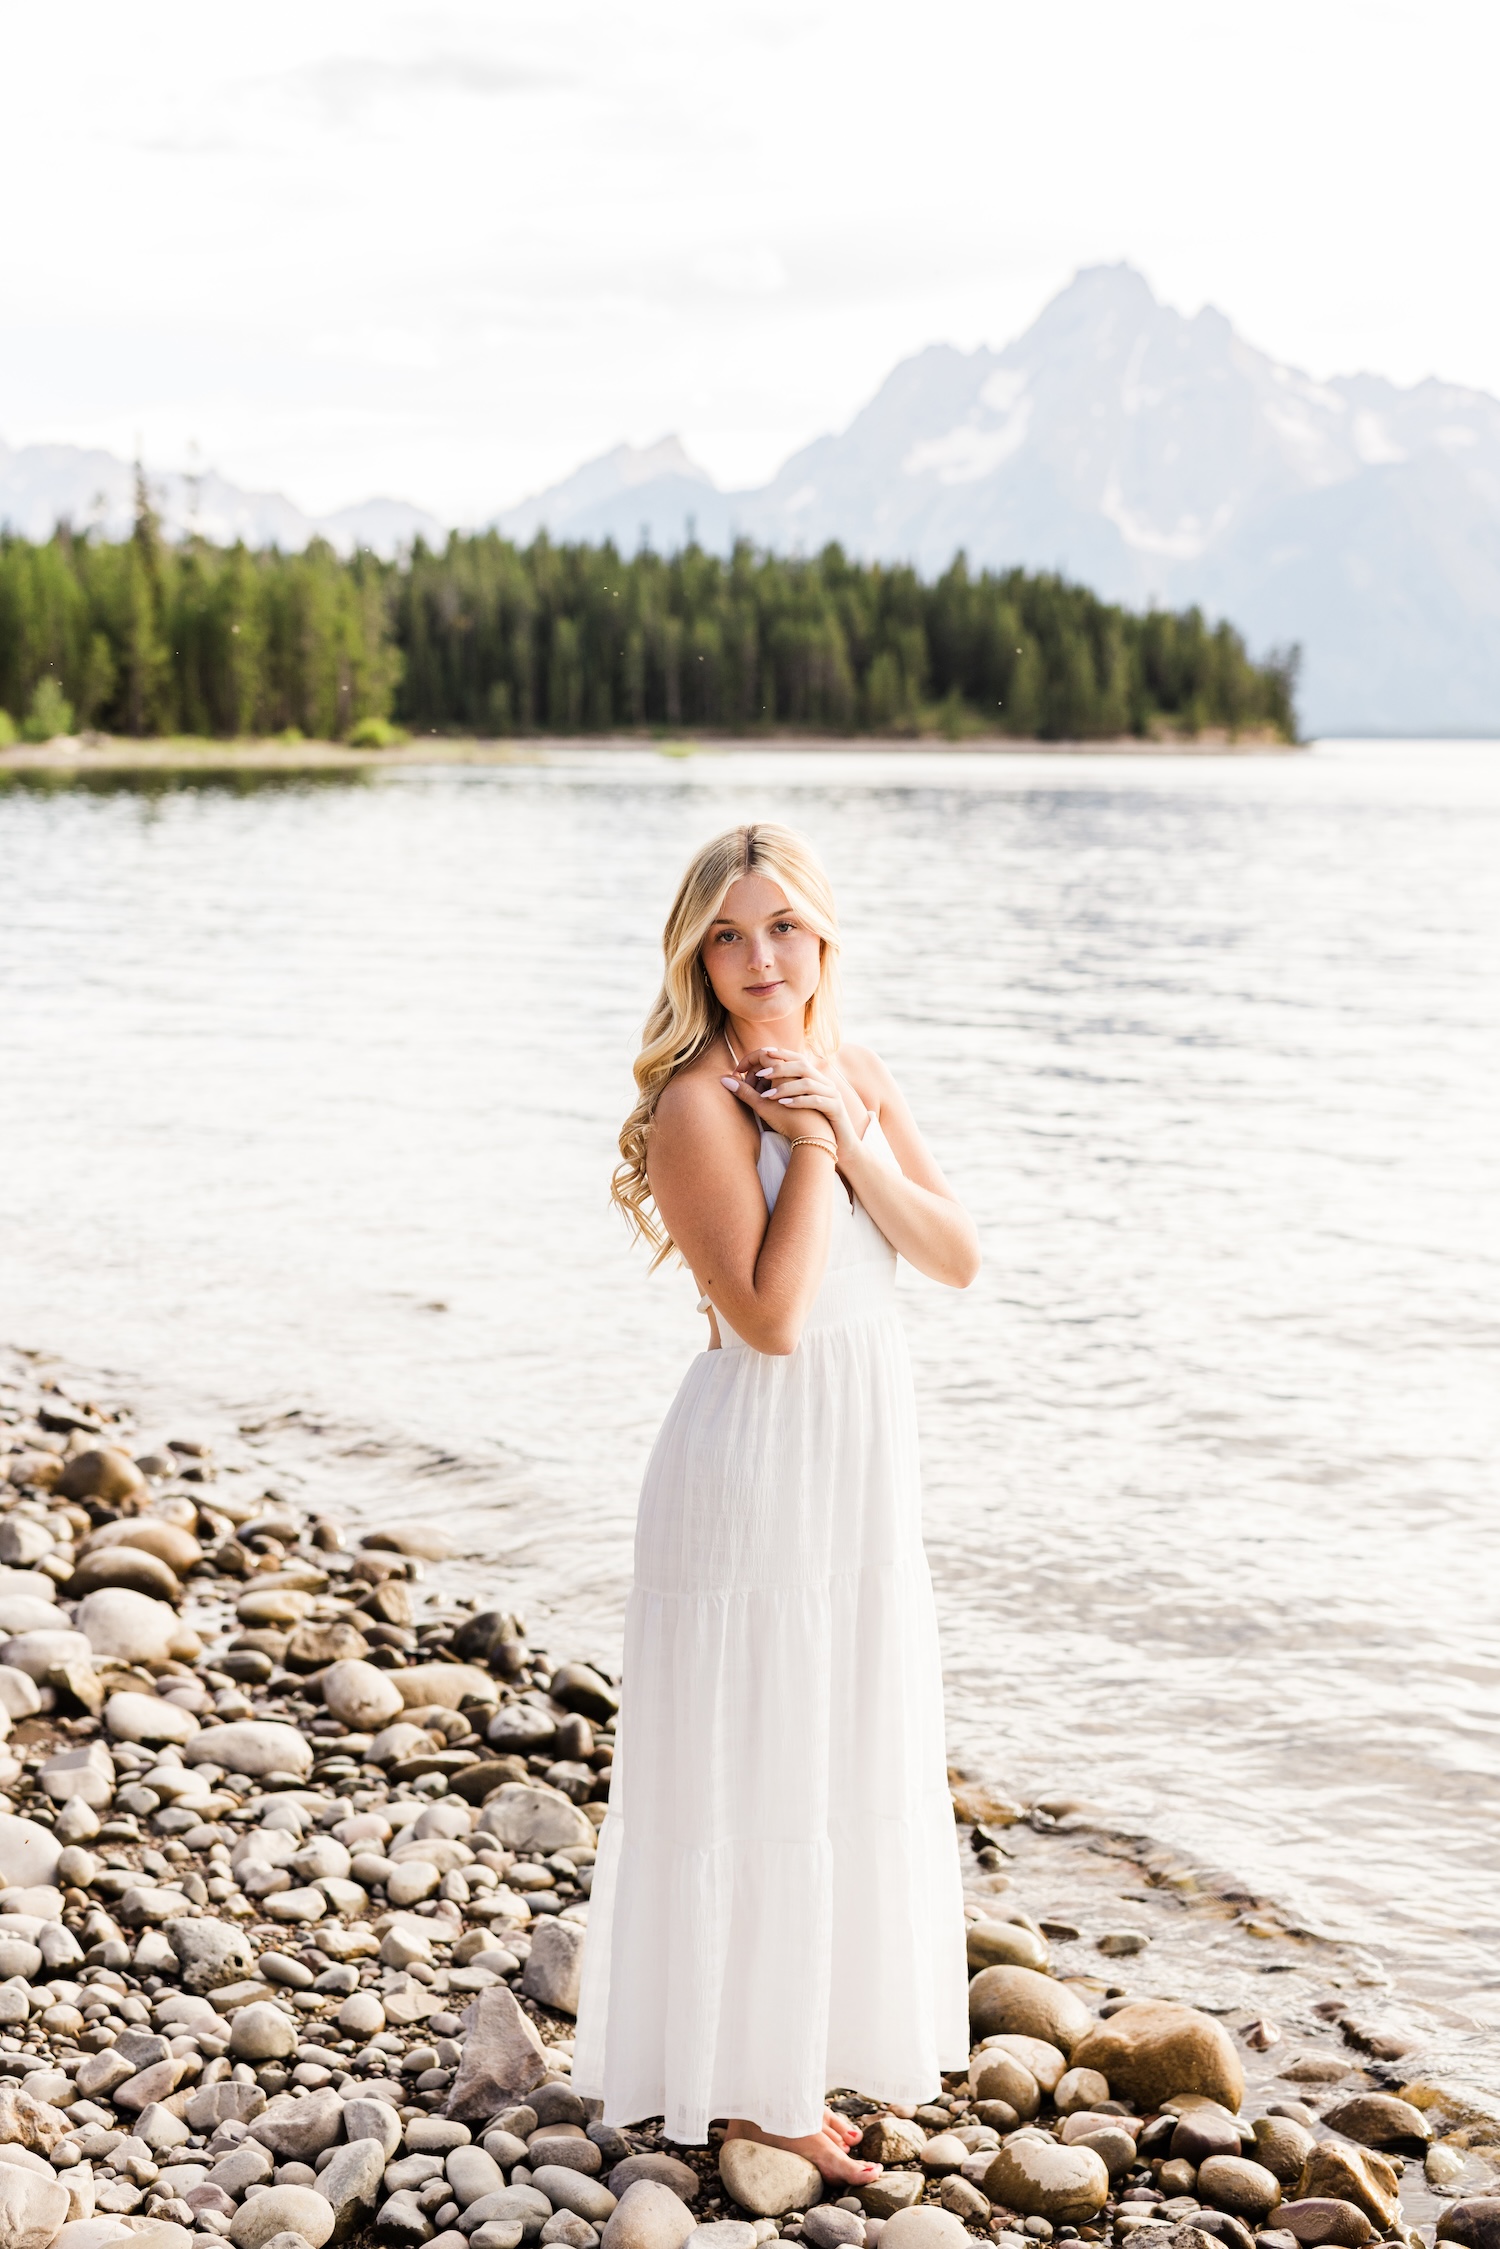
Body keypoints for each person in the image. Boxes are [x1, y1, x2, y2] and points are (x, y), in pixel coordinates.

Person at [572, 822, 979, 2184]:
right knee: (763, 1758)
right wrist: (805, 1144)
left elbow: (955, 1254)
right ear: (696, 949)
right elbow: (769, 1320)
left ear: (824, 934)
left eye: (785, 926)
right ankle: (753, 2090)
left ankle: (792, 2052)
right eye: (730, 934)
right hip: (754, 1467)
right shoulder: (697, 1099)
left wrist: (845, 1125)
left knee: (835, 1744)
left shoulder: (855, 1067)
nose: (760, 958)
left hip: (857, 1468)